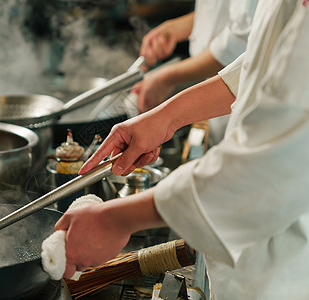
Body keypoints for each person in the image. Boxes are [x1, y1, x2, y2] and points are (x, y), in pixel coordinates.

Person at [55, 0, 309, 298]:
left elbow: (268, 165)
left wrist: (116, 219)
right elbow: (261, 64)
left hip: (286, 271)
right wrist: (166, 117)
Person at [135, 0, 258, 145]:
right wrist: (177, 27)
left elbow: (237, 47)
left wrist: (166, 78)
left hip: (247, 114)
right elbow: (227, 13)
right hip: (221, 105)